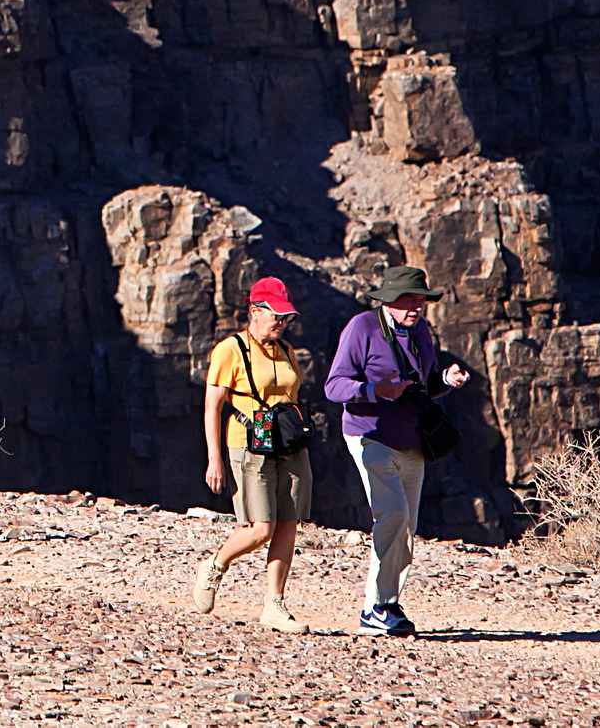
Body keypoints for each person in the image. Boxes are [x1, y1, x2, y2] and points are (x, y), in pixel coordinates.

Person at [325, 265, 473, 635]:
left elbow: (421, 386)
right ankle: (373, 607)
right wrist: (375, 392)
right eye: (408, 299)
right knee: (390, 515)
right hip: (369, 434)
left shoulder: (421, 331)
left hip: (412, 440)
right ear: (388, 300)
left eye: (421, 299)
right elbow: (334, 386)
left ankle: (388, 603)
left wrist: (445, 380)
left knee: (407, 526)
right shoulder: (362, 328)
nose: (416, 306)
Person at [193, 276, 313, 634]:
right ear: (254, 312)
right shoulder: (230, 350)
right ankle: (215, 565)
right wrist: (214, 458)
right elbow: (212, 406)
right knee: (260, 528)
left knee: (288, 524)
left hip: (289, 444)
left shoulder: (286, 350)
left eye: (285, 317)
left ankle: (274, 604)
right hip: (248, 444)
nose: (281, 323)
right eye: (275, 315)